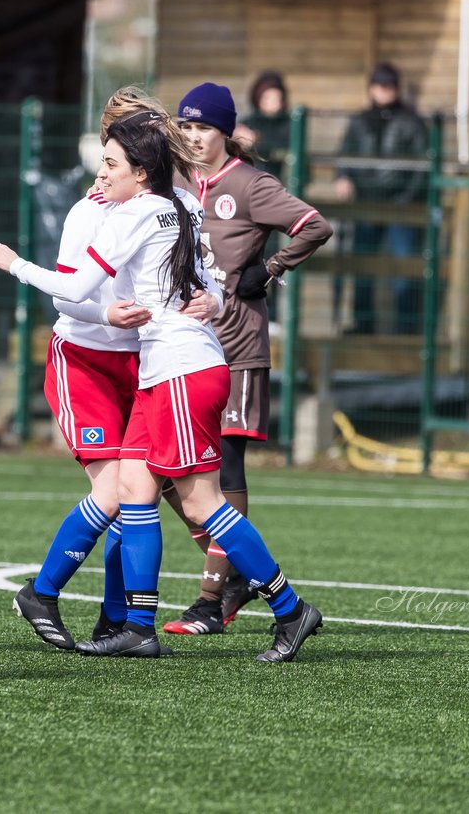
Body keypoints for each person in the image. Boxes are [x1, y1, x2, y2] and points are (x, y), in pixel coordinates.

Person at [0, 111, 323, 662]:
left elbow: (74, 286)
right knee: (135, 491)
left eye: (112, 163)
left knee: (203, 502)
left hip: (181, 372)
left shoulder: (134, 214)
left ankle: (289, 609)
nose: (103, 172)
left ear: (142, 172)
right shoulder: (185, 203)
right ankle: (138, 626)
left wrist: (15, 263)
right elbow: (208, 276)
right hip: (165, 371)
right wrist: (212, 299)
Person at [6, 87, 219, 652]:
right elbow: (68, 297)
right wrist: (105, 311)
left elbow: (200, 272)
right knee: (119, 494)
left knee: (138, 493)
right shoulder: (89, 212)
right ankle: (44, 592)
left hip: (139, 361)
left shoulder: (166, 206)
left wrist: (209, 299)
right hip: (84, 360)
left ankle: (118, 620)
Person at [164, 82, 333, 637]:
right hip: (184, 347)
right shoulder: (176, 182)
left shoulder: (250, 183)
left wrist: (273, 268)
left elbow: (315, 225)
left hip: (236, 346)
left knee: (224, 468)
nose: (192, 137)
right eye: (185, 127)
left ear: (226, 132)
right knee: (167, 472)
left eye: (203, 128)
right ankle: (234, 566)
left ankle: (211, 597)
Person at [332, 62, 429, 335]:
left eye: (387, 86)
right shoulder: (360, 121)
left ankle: (407, 329)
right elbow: (344, 154)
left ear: (396, 89)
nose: (382, 91)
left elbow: (423, 165)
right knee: (363, 267)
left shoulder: (412, 122)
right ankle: (363, 324)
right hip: (365, 203)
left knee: (405, 268)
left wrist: (407, 200)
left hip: (402, 207)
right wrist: (342, 176)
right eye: (378, 85)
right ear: (371, 88)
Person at [233, 71, 290, 179]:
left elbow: (284, 147)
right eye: (268, 98)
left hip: (277, 179)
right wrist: (236, 138)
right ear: (259, 98)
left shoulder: (288, 124)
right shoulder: (248, 122)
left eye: (278, 98)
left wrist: (256, 141)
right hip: (248, 178)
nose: (275, 103)